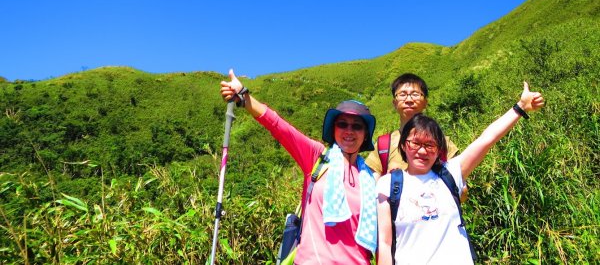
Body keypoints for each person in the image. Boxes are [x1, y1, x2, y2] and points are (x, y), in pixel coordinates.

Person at [220, 69, 378, 264]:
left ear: (365, 134)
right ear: (333, 129)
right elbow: (279, 127)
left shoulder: (371, 179)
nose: (349, 131)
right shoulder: (317, 157)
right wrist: (244, 97)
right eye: (342, 124)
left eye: (357, 126)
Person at [376, 82, 544, 264]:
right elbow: (384, 243)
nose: (422, 151)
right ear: (403, 145)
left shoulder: (450, 173)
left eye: (429, 145)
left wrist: (519, 108)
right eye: (415, 143)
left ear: (439, 148)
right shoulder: (389, 184)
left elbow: (487, 139)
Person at [365, 73, 459, 180]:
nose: (409, 100)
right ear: (394, 103)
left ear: (425, 103)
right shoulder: (383, 145)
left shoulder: (443, 142)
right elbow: (374, 187)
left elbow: (459, 187)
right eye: (402, 94)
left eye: (415, 94)